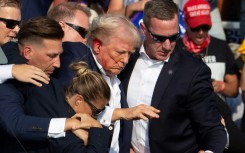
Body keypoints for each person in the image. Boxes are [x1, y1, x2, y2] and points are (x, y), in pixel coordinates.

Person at [119, 0, 227, 152]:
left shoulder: (192, 71)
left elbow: (212, 128)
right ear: (143, 28)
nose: (167, 46)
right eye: (159, 38)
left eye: (174, 37)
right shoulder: (125, 59)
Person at [54, 13, 160, 153]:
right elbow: (70, 107)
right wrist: (123, 113)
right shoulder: (76, 56)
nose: (125, 60)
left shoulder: (115, 74)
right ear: (98, 46)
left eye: (129, 53)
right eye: (120, 52)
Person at [0, 17, 99, 153]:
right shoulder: (10, 81)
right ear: (28, 52)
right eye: (51, 56)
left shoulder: (53, 81)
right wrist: (69, 124)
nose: (58, 64)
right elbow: (14, 124)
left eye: (59, 56)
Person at [178, 0, 239, 101]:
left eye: (205, 27)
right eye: (196, 27)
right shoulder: (175, 48)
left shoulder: (221, 46)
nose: (201, 32)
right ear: (185, 23)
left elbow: (234, 90)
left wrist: (221, 86)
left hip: (217, 110)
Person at [49, 61, 112, 153]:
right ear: (79, 100)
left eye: (101, 110)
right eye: (95, 111)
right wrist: (96, 127)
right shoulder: (64, 132)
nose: (95, 117)